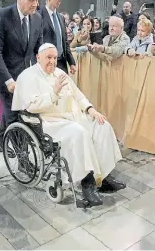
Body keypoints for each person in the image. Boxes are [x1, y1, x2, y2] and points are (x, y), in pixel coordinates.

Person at [12, 43, 126, 206]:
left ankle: (103, 177)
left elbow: (78, 96)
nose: (52, 61)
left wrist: (91, 110)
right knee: (79, 133)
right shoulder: (28, 76)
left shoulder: (60, 73)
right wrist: (54, 92)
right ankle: (87, 183)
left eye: (54, 58)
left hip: (74, 117)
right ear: (38, 58)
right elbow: (32, 106)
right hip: (50, 122)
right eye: (48, 58)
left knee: (103, 126)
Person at [0, 0, 43, 152]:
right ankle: (23, 160)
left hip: (23, 76)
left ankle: (1, 142)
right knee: (16, 116)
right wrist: (9, 80)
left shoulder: (38, 18)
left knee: (10, 111)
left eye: (37, 0)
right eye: (31, 0)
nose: (35, 4)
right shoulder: (3, 16)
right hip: (3, 75)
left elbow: (37, 51)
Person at [38, 0, 76, 74]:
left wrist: (71, 62)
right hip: (46, 63)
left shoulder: (61, 17)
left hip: (61, 63)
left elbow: (65, 42)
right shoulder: (38, 16)